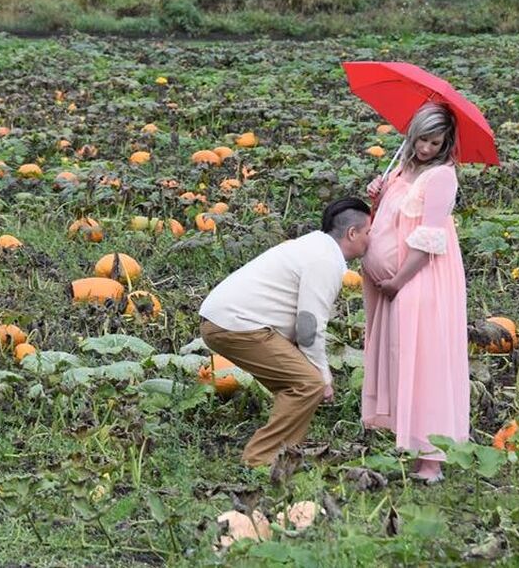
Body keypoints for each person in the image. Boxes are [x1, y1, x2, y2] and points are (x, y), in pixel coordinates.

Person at [199, 198, 372, 467]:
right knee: (308, 384)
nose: (371, 239)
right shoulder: (325, 260)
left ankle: (285, 455)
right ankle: (259, 461)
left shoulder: (315, 245)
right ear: (352, 233)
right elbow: (308, 324)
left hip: (228, 320)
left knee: (297, 383)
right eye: (368, 232)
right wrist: (324, 375)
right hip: (237, 324)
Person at [361, 103, 470, 483]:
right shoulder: (401, 168)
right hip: (393, 281)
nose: (425, 148)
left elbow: (429, 240)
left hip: (422, 276)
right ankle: (408, 442)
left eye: (434, 142)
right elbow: (386, 219)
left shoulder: (441, 176)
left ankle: (431, 461)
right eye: (421, 139)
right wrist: (379, 191)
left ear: (445, 143)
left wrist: (399, 280)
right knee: (401, 355)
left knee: (425, 359)